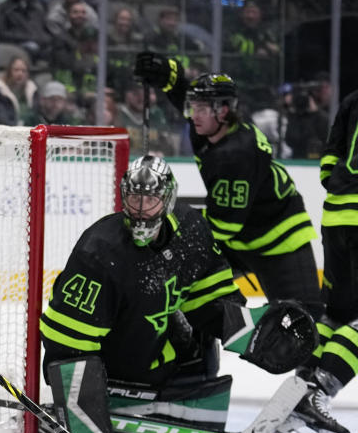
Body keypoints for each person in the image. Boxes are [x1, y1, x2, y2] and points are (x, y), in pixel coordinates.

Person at [37, 156, 318, 433]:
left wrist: (252, 333)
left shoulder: (190, 231)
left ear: (168, 198)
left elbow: (210, 299)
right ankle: (126, 403)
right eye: (134, 199)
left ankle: (159, 401)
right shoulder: (101, 252)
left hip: (156, 355)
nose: (142, 210)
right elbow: (64, 342)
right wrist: (79, 408)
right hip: (113, 369)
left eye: (151, 200)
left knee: (201, 347)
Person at [135, 55, 322, 312]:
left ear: (223, 111)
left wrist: (172, 229)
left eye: (200, 108)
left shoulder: (236, 155)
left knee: (304, 318)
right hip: (238, 235)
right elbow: (187, 98)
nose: (193, 114)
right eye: (193, 106)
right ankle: (197, 345)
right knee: (181, 292)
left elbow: (223, 227)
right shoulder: (214, 128)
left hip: (278, 236)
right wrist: (170, 75)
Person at [274, 88, 358, 433]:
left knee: (338, 314)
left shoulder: (354, 99)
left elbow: (331, 150)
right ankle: (318, 393)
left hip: (338, 214)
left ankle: (299, 390)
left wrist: (335, 182)